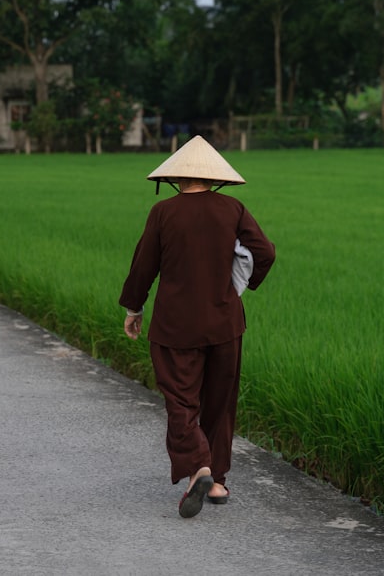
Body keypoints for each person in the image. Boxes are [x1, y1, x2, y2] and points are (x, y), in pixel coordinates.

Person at [119, 135, 275, 519]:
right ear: (213, 179)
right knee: (220, 403)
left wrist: (134, 308)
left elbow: (144, 266)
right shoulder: (233, 208)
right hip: (225, 323)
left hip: (176, 326)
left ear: (176, 179)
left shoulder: (163, 213)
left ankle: (199, 466)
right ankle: (217, 481)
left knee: (181, 399)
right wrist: (239, 285)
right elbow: (265, 252)